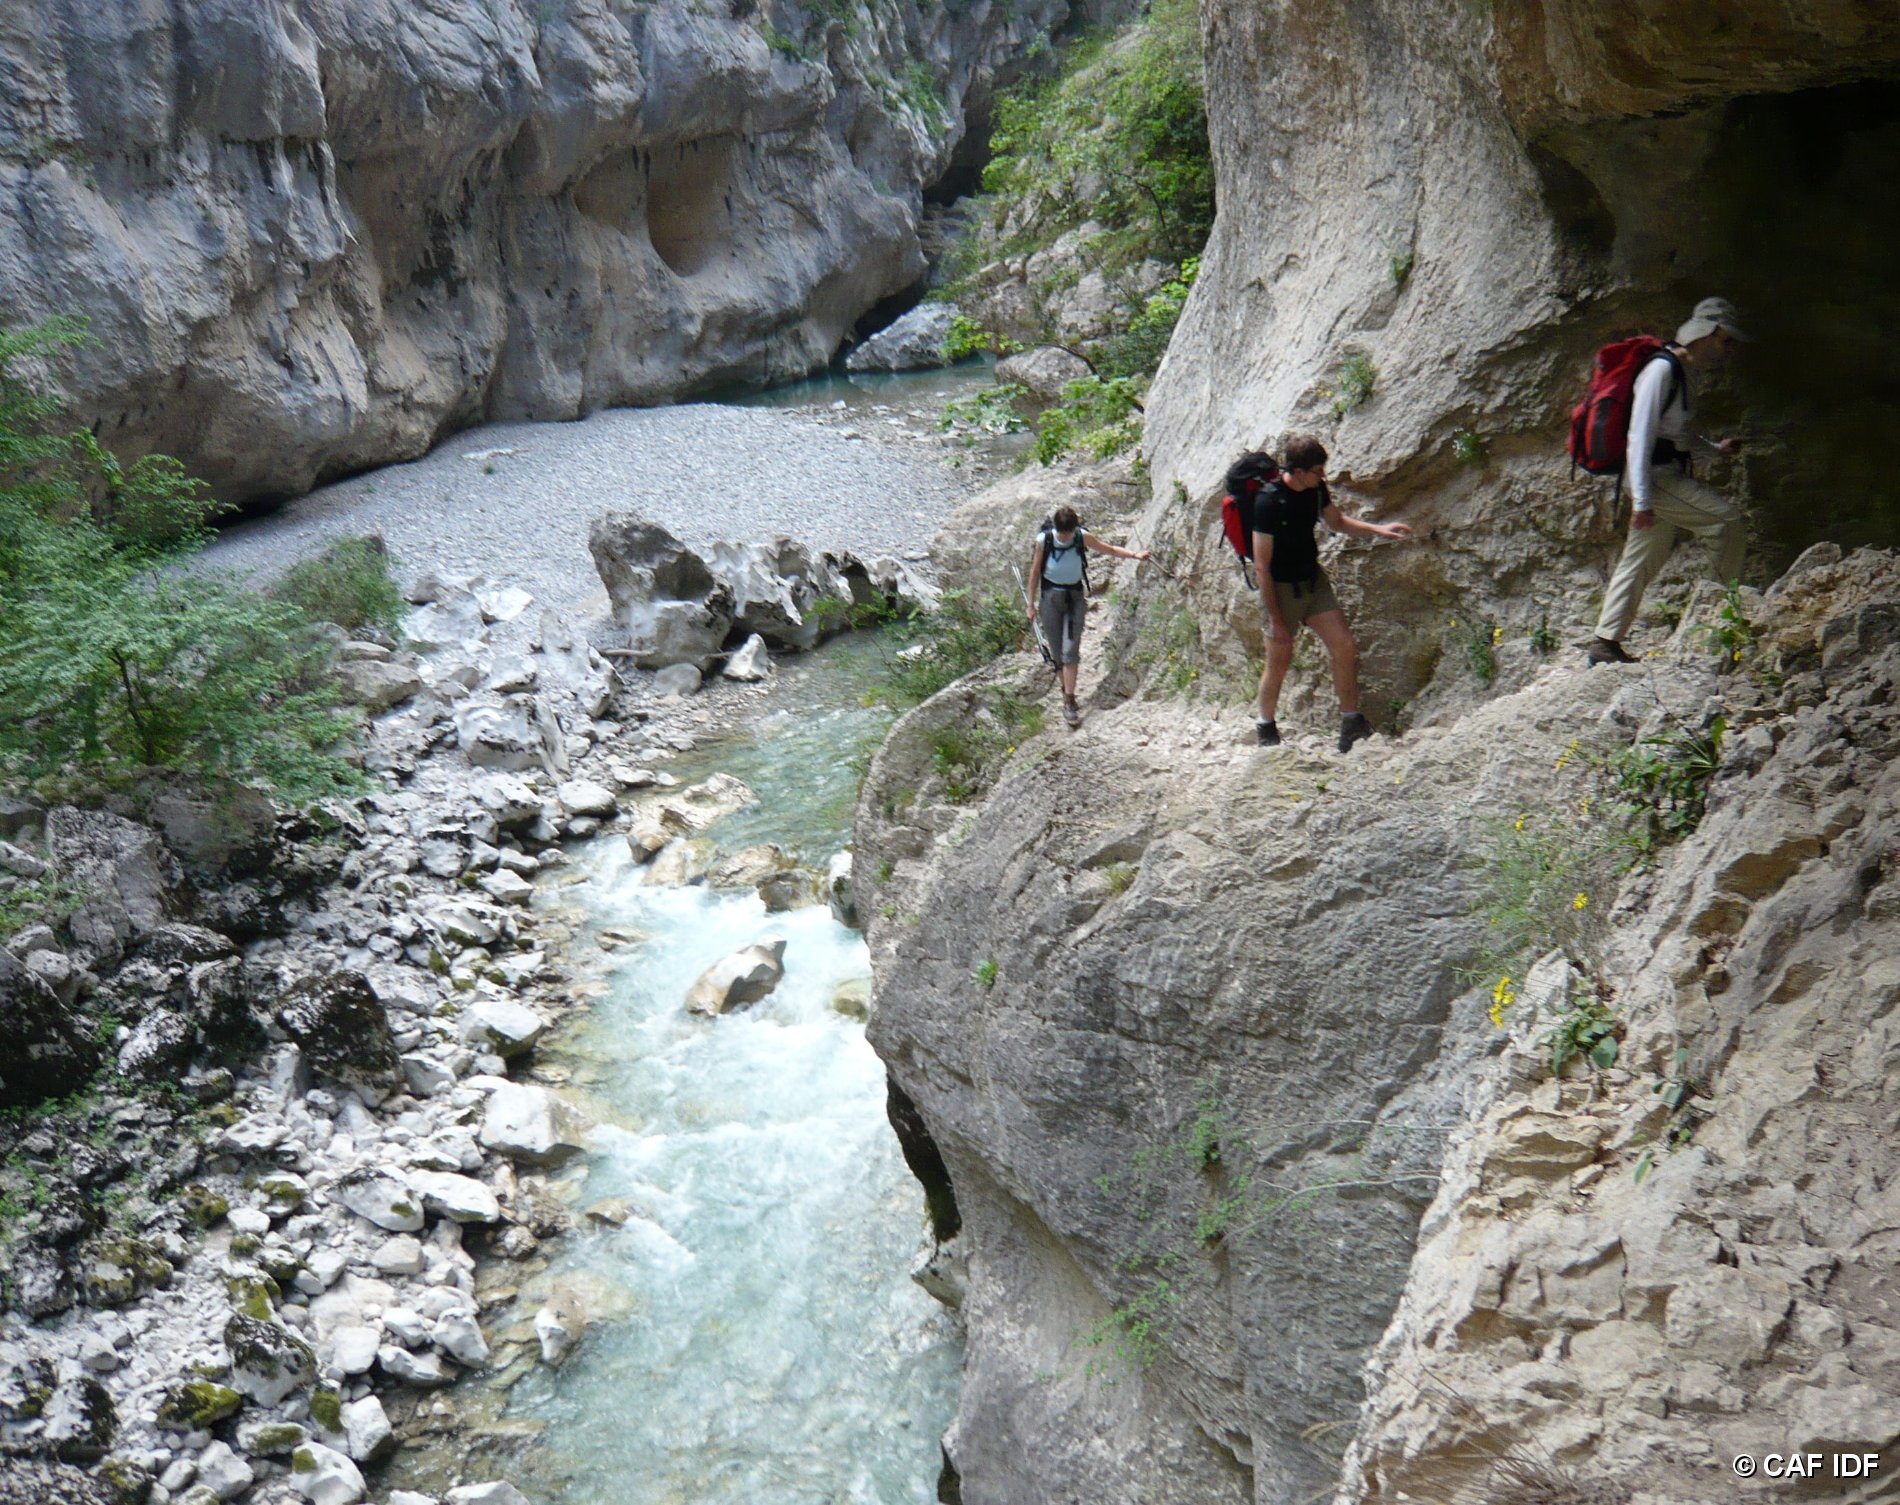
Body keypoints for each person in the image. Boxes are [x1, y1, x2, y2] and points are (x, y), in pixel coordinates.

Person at [1585, 297, 1750, 666]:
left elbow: (1676, 437)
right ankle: (1711, 627)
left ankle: (1604, 643)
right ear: (1706, 334)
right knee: (1728, 524)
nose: (1729, 350)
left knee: (1640, 557)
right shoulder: (1662, 371)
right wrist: (1642, 501)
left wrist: (1715, 449)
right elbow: (1639, 436)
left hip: (1660, 475)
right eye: (1726, 341)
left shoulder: (1684, 373)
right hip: (1653, 479)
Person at [1251, 435, 1412, 753]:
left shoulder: (1315, 490)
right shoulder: (1267, 502)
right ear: (1297, 471)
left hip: (1312, 580)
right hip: (1280, 589)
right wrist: (1275, 618)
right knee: (1279, 661)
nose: (1322, 476)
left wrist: (1378, 530)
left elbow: (1336, 522)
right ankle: (1266, 728)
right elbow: (1261, 566)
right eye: (1316, 471)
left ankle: (1351, 723)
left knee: (1344, 644)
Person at [1026, 504, 1151, 725]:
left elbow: (1109, 549)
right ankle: (1066, 690)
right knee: (1057, 652)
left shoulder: (1081, 537)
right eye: (1063, 533)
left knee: (1070, 649)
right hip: (1050, 599)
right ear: (1056, 528)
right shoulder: (1044, 541)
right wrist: (1030, 604)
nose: (1065, 537)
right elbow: (1035, 572)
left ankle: (1069, 700)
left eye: (1069, 533)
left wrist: (1135, 555)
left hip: (1074, 597)